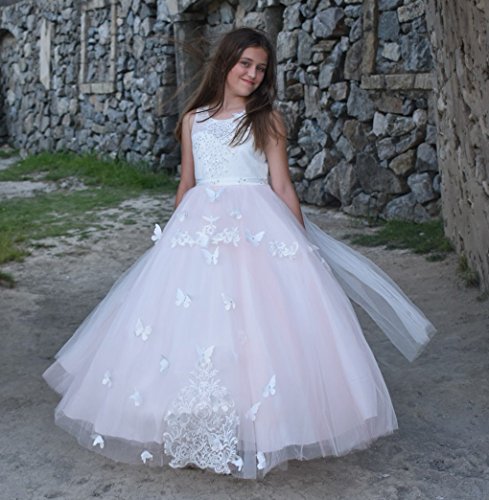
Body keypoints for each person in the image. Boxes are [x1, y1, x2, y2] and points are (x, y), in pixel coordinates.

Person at [43, 27, 436, 480]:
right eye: (245, 64)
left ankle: (260, 422)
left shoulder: (266, 119)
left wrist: (301, 245)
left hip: (256, 227)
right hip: (198, 231)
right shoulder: (194, 120)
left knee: (256, 324)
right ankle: (192, 420)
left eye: (261, 68)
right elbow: (187, 182)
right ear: (225, 63)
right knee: (192, 323)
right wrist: (173, 237)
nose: (252, 74)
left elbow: (281, 185)